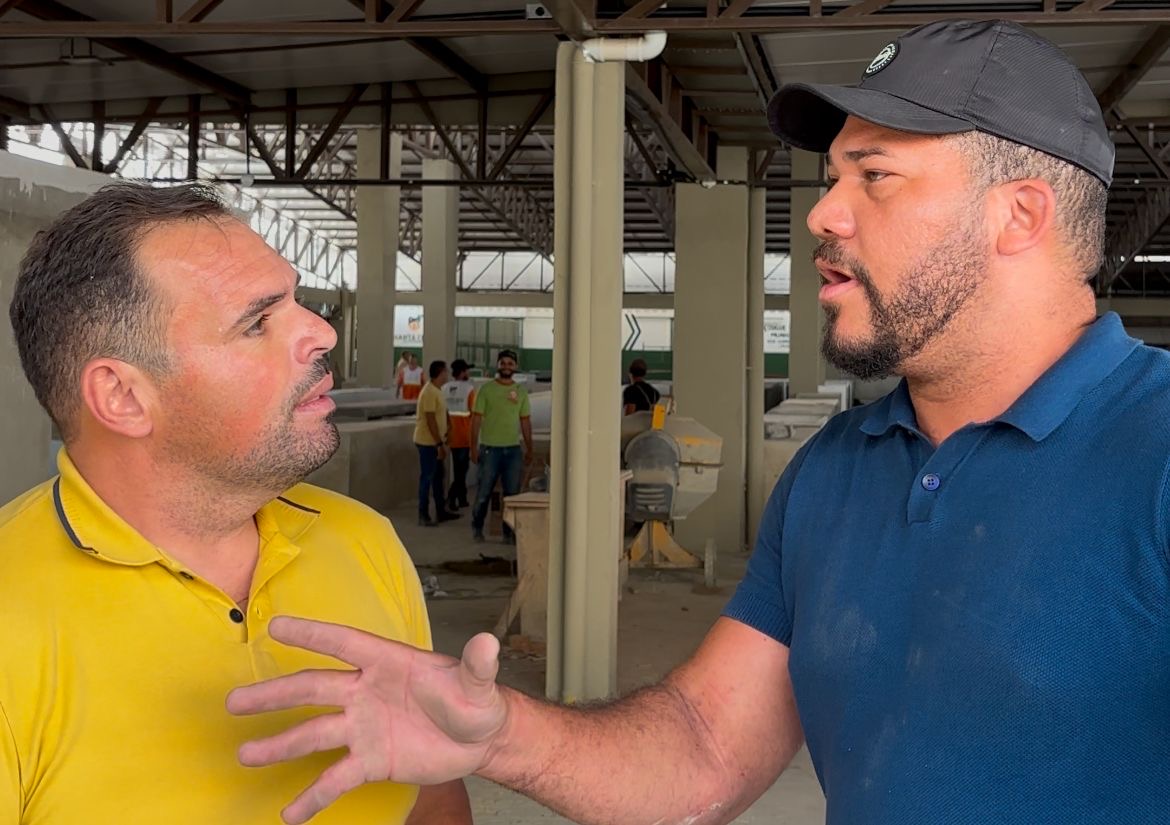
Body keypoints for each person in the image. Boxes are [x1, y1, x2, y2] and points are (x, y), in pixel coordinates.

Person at [226, 20, 1170, 825]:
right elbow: (703, 747)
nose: (824, 214)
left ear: (1019, 216)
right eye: (831, 176)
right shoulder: (838, 467)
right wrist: (498, 731)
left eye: (874, 177)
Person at [0, 182, 471, 825]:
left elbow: (430, 791)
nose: (323, 333)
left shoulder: (364, 541)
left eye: (298, 300)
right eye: (257, 321)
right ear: (124, 397)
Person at [468, 349, 533, 543]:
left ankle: (508, 533)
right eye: (503, 363)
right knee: (483, 492)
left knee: (511, 494)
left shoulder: (520, 392)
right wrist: (473, 447)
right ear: (497, 365)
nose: (506, 366)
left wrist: (529, 447)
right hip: (489, 449)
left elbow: (525, 421)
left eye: (510, 363)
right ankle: (477, 527)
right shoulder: (486, 390)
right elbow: (476, 420)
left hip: (512, 450)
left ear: (515, 366)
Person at [414, 360, 459, 527]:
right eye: (445, 372)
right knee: (427, 477)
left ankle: (441, 510)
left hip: (436, 441)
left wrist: (449, 426)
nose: (447, 374)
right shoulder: (428, 392)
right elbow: (430, 419)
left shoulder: (437, 390)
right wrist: (439, 444)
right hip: (428, 443)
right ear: (440, 373)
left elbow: (443, 412)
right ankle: (423, 514)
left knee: (439, 477)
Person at [443, 358, 477, 511]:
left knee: (458, 469)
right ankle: (451, 498)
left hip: (448, 435)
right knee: (461, 471)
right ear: (463, 372)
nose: (468, 373)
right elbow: (474, 412)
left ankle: (462, 499)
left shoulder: (444, 388)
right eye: (467, 370)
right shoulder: (469, 390)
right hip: (463, 436)